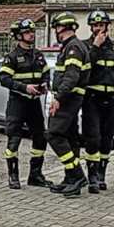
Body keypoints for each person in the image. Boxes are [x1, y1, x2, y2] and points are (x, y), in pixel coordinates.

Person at [0, 18, 50, 189]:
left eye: (32, 31)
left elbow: (46, 73)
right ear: (19, 36)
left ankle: (35, 175)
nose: (31, 35)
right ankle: (13, 176)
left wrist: (45, 83)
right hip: (17, 103)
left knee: (40, 138)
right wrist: (24, 88)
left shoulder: (38, 55)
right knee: (14, 140)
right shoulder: (12, 57)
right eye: (27, 32)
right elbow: (3, 78)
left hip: (34, 104)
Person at [82, 11, 114, 194]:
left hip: (111, 98)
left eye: (101, 25)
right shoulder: (86, 46)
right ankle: (92, 176)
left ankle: (101, 174)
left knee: (107, 138)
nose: (98, 28)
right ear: (91, 28)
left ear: (107, 26)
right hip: (92, 98)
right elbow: (86, 66)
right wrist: (95, 46)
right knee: (93, 137)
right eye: (95, 25)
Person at [46, 12, 90, 197]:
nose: (55, 31)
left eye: (56, 28)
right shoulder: (71, 46)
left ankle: (77, 175)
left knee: (54, 134)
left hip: (69, 98)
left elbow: (71, 77)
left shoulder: (73, 48)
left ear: (61, 28)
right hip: (71, 98)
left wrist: (59, 98)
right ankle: (70, 179)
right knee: (70, 138)